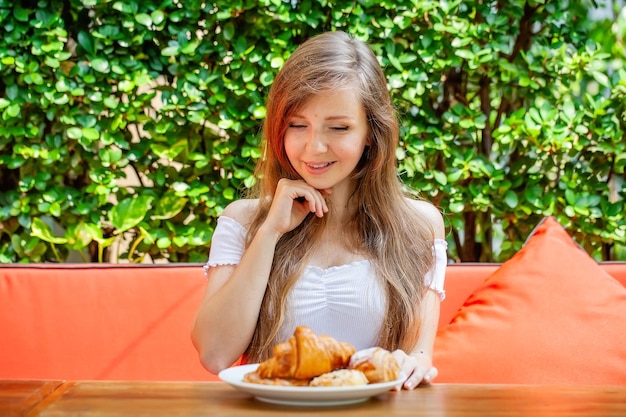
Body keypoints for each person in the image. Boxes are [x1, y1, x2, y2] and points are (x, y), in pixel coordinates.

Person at [191, 30, 447, 390]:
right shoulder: (244, 221)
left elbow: (419, 355)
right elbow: (215, 354)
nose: (314, 147)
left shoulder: (419, 226)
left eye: (339, 127)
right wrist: (269, 234)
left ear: (371, 133)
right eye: (297, 125)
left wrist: (412, 364)